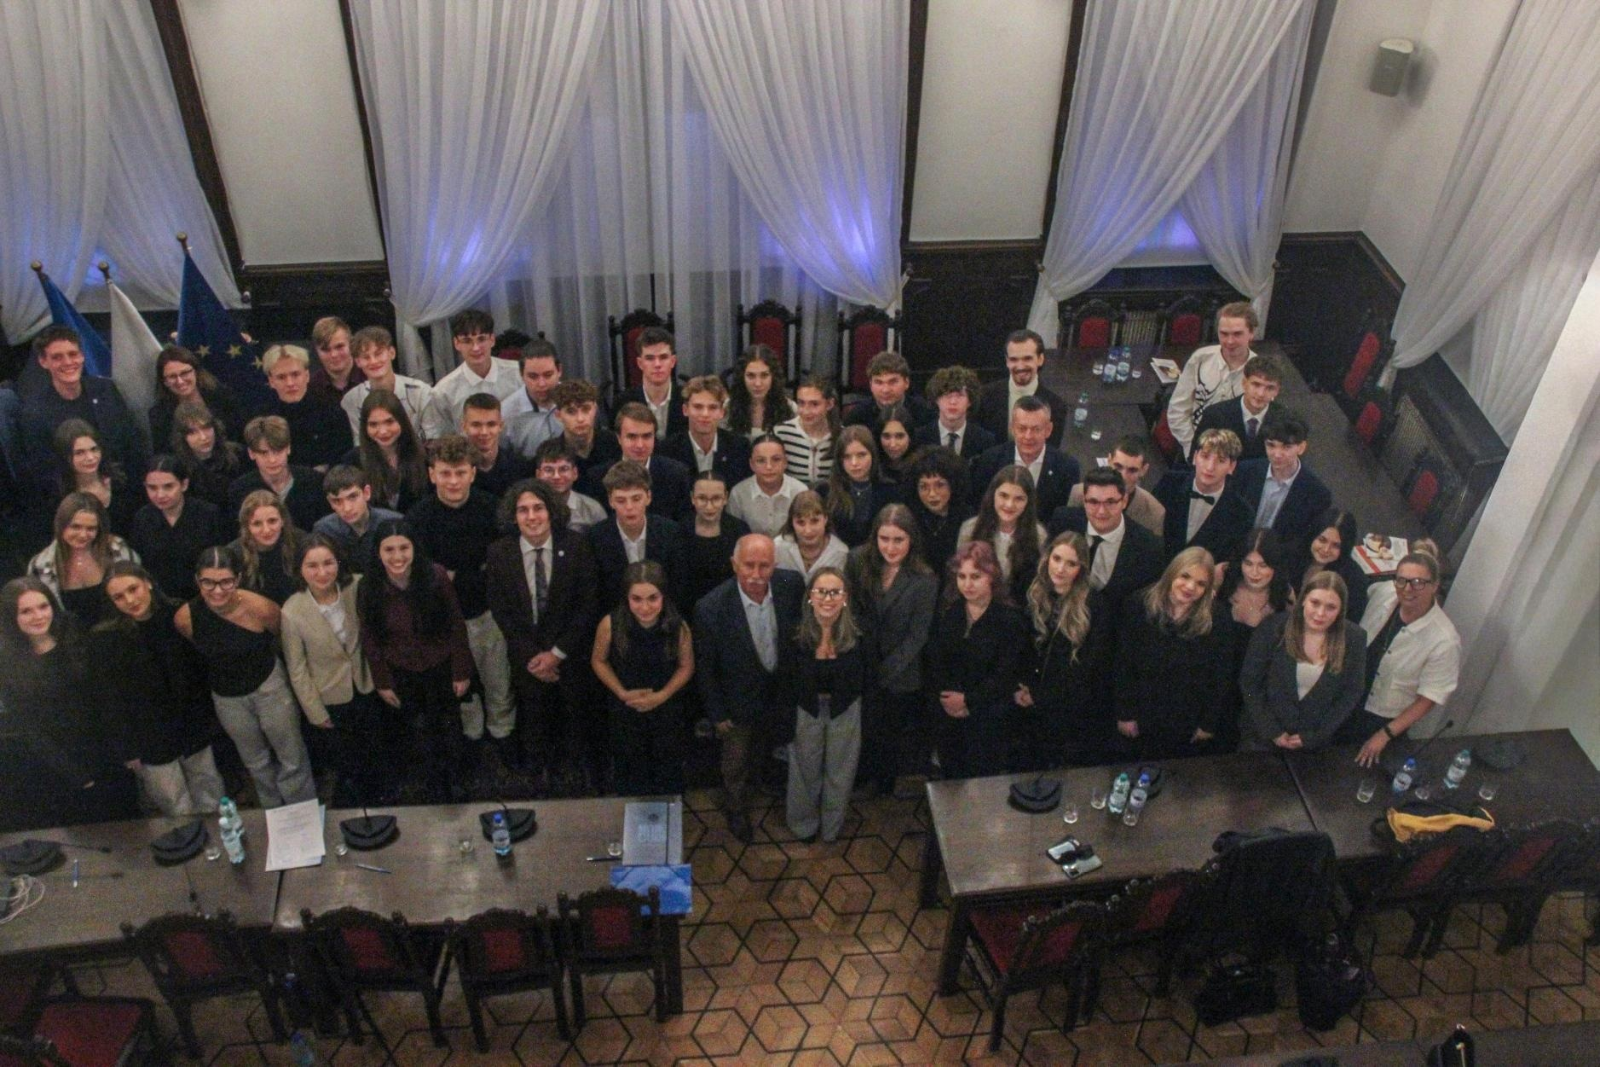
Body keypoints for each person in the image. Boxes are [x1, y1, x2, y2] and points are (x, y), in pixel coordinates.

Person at [176, 546, 316, 807]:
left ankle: (302, 811)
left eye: (226, 581)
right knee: (255, 761)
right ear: (197, 581)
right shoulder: (185, 617)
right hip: (227, 697)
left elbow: (281, 638)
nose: (217, 590)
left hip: (269, 686)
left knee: (291, 755)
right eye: (208, 582)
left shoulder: (262, 608)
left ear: (238, 579)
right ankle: (272, 810)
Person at [486, 480, 600, 791]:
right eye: (523, 510)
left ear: (551, 511)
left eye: (538, 508)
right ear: (514, 516)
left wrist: (557, 654)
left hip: (569, 655)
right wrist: (533, 657)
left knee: (572, 716)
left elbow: (587, 605)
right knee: (533, 718)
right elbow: (501, 610)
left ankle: (573, 776)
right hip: (528, 658)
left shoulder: (576, 546)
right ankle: (538, 778)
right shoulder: (500, 553)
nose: (532, 516)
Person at [695, 534, 805, 842]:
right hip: (736, 701)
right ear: (734, 564)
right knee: (736, 760)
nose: (756, 574)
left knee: (768, 746)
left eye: (764, 566)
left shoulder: (791, 586)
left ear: (775, 564)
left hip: (778, 693)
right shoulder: (710, 608)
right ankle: (735, 807)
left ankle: (763, 783)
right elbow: (706, 667)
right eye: (748, 565)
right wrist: (717, 713)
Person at [407, 435, 513, 755]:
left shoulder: (492, 509)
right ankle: (472, 739)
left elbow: (501, 568)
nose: (453, 481)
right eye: (445, 473)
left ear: (472, 473)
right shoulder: (418, 518)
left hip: (488, 613)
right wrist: (472, 573)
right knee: (460, 685)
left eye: (460, 473)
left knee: (498, 680)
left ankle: (503, 735)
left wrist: (456, 576)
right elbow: (423, 576)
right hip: (442, 618)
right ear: (432, 474)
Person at [0, 577, 136, 825]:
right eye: (26, 611)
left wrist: (125, 749)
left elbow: (106, 696)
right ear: (11, 617)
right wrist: (76, 774)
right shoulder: (7, 663)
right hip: (61, 767)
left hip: (108, 752)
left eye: (43, 606)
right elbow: (29, 729)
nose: (38, 616)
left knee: (131, 824)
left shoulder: (73, 633)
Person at [93, 563, 224, 817]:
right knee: (174, 802)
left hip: (191, 722)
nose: (130, 600)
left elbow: (200, 668)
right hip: (149, 734)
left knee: (209, 791)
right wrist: (128, 748)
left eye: (133, 589)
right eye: (119, 596)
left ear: (148, 583)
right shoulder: (105, 638)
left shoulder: (178, 613)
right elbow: (109, 698)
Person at [357, 520, 474, 802]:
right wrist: (382, 681)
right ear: (378, 552)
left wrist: (461, 671)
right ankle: (431, 781)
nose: (397, 556)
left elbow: (456, 625)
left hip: (440, 665)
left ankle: (456, 778)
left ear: (414, 548)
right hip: (402, 670)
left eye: (404, 548)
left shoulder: (435, 576)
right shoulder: (368, 586)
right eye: (389, 549)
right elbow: (370, 638)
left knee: (449, 724)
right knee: (416, 728)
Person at [280, 535, 389, 805]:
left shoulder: (357, 587)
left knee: (378, 753)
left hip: (366, 683)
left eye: (328, 563)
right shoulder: (292, 610)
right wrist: (315, 712)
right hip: (330, 696)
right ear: (300, 570)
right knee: (347, 764)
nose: (322, 572)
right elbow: (297, 669)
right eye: (312, 566)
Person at [845, 505, 936, 794]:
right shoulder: (857, 560)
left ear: (911, 540)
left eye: (899, 540)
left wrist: (883, 673)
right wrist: (863, 664)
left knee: (890, 737)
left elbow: (917, 636)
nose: (891, 547)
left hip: (900, 673)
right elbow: (849, 612)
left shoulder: (925, 579)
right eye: (884, 539)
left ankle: (883, 787)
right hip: (861, 663)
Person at [1114, 547, 1232, 760]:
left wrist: (1208, 723)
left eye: (1200, 583)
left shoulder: (1218, 618)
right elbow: (1123, 664)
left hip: (1186, 721)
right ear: (1172, 573)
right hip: (1141, 715)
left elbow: (1220, 676)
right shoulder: (1138, 604)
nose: (1190, 587)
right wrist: (1125, 713)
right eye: (1185, 576)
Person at [782, 568, 871, 842]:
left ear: (845, 598)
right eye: (821, 591)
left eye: (835, 592)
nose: (828, 599)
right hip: (806, 708)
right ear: (810, 596)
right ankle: (803, 826)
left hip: (845, 708)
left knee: (841, 772)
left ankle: (832, 828)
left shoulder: (860, 632)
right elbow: (786, 679)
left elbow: (867, 676)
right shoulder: (794, 632)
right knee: (803, 771)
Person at [927, 541, 1029, 779]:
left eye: (975, 576)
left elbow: (1005, 674)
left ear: (991, 576)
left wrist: (968, 701)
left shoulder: (1010, 620)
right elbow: (936, 660)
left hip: (988, 718)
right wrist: (949, 700)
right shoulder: (949, 613)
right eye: (961, 576)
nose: (967, 584)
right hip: (949, 713)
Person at [592, 561, 694, 796]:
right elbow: (598, 660)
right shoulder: (610, 624)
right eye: (636, 599)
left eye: (652, 598)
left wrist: (662, 695)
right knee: (630, 769)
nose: (645, 607)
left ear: (663, 596)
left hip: (666, 710)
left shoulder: (678, 627)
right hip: (626, 709)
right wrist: (621, 692)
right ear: (626, 598)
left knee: (667, 770)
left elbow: (686, 666)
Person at [1351, 551, 1461, 767]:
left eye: (1418, 582)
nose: (1407, 589)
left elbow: (1428, 699)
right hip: (1349, 697)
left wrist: (1384, 735)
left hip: (1381, 719)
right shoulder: (1385, 593)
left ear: (1435, 585)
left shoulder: (1445, 640)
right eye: (1401, 580)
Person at [1240, 571, 1367, 752]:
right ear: (1303, 599)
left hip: (1314, 743)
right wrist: (1272, 730)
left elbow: (1352, 692)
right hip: (1261, 736)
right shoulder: (1273, 628)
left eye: (1331, 607)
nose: (1320, 613)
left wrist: (1317, 735)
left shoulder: (1355, 638)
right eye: (1315, 603)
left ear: (1341, 610)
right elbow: (1249, 683)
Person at [1017, 532, 1111, 767]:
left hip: (1066, 709)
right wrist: (1022, 686)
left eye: (1071, 564)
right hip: (1024, 699)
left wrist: (1041, 696)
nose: (1060, 569)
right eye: (1057, 559)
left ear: (1081, 569)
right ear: (1047, 557)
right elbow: (1019, 647)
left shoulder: (1094, 606)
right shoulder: (1032, 591)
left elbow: (1088, 666)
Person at [19, 326, 147, 495]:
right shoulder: (34, 412)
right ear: (43, 362)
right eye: (57, 357)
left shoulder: (105, 390)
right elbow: (43, 471)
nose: (68, 362)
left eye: (73, 354)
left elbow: (131, 442)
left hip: (122, 490)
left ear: (82, 356)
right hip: (71, 498)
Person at [1211, 527, 1295, 753]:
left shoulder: (1284, 595)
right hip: (1215, 670)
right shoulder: (1221, 575)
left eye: (1263, 565)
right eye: (1248, 563)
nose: (1254, 573)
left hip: (1253, 681)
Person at [1045, 467, 1166, 619]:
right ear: (1084, 501)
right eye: (1093, 502)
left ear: (1124, 501)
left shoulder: (1149, 547)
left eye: (1110, 502)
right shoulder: (1063, 521)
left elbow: (1144, 606)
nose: (1101, 511)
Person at [587, 460, 689, 609]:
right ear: (610, 501)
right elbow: (596, 594)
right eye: (621, 500)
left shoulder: (671, 533)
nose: (629, 507)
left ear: (648, 497)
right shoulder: (595, 538)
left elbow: (679, 588)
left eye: (636, 499)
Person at [1165, 301, 1260, 459]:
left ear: (1251, 333)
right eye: (1224, 334)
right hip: (1195, 448)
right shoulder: (1200, 358)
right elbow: (1178, 409)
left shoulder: (1259, 371)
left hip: (1235, 455)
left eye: (1237, 334)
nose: (1229, 341)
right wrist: (1193, 447)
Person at [28, 493, 139, 625]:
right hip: (69, 635)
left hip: (121, 630)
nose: (83, 535)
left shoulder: (118, 551)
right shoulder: (39, 566)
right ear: (61, 525)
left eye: (91, 528)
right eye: (75, 527)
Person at [1234, 408, 1333, 551]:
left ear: (1301, 447)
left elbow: (1303, 543)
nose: (1277, 454)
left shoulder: (1317, 495)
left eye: (1286, 447)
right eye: (1271, 445)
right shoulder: (1245, 471)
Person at [967, 396, 1079, 519]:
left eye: (1036, 429)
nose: (1028, 436)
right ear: (1012, 428)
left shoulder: (1067, 468)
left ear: (1048, 430)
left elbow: (1064, 518)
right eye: (1022, 428)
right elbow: (980, 507)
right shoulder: (990, 460)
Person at [129, 455, 223, 601]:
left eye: (168, 486)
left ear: (184, 484)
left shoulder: (208, 514)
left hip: (203, 596)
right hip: (159, 598)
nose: (160, 495)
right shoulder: (142, 518)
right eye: (152, 488)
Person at [420, 309, 522, 440]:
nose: (476, 348)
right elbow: (442, 438)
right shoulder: (443, 391)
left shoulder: (519, 374)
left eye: (481, 339)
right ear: (456, 343)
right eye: (467, 341)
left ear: (492, 340)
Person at [1154, 427, 1253, 563]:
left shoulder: (1242, 513)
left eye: (1220, 460)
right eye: (1205, 457)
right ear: (1195, 457)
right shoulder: (1170, 483)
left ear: (1231, 466)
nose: (1210, 467)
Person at [959, 466, 1048, 604]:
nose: (1009, 505)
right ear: (992, 495)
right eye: (1004, 496)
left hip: (1017, 607)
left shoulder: (1039, 535)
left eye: (1019, 499)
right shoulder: (970, 529)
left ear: (1028, 502)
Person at [591, 403, 692, 521]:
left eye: (646, 436)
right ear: (619, 438)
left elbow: (684, 521)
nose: (640, 445)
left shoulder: (676, 474)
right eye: (632, 437)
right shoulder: (598, 477)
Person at [229, 415, 330, 532]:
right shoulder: (240, 490)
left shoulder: (314, 482)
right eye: (264, 453)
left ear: (288, 448)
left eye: (278, 451)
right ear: (251, 453)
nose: (272, 460)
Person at [261, 344, 351, 469]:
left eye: (295, 374)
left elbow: (343, 461)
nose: (290, 383)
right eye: (281, 377)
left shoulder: (332, 411)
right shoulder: (262, 419)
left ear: (307, 376)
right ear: (271, 381)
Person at [973, 329, 1067, 448]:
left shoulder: (1056, 406)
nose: (1020, 366)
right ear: (1007, 361)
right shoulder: (984, 396)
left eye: (1027, 359)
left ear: (1040, 359)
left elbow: (1050, 451)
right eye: (1014, 359)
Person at [340, 326, 435, 442]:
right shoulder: (352, 400)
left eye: (378, 354)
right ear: (358, 362)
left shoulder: (421, 392)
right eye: (366, 357)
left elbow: (433, 439)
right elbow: (360, 443)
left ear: (392, 353)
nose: (373, 361)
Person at [149, 346, 243, 461]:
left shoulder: (221, 397)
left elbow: (240, 434)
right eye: (172, 376)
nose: (180, 381)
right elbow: (164, 455)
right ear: (164, 382)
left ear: (196, 372)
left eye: (184, 373)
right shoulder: (159, 415)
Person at [1194, 352, 1285, 464]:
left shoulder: (1286, 420)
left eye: (1270, 388)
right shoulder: (1215, 415)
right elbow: (1196, 458)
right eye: (1256, 384)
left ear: (1277, 391)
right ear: (1244, 383)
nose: (1261, 393)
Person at [52, 418, 138, 535]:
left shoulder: (120, 482)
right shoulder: (59, 495)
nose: (90, 457)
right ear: (65, 457)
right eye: (80, 453)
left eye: (94, 449)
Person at [1065, 435, 1165, 537]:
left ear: (1144, 470)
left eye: (1132, 470)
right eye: (1118, 467)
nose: (1123, 476)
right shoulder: (1079, 494)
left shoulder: (1154, 513)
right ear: (1109, 461)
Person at [662, 375, 752, 486]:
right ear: (685, 410)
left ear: (722, 412)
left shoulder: (740, 448)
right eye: (698, 407)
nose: (705, 414)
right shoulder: (668, 450)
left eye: (712, 407)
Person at [347, 390, 428, 513]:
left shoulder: (424, 456)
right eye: (373, 424)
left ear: (402, 421)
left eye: (389, 422)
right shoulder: (352, 461)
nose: (383, 431)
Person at [313, 465, 401, 573]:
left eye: (352, 497)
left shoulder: (394, 522)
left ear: (366, 493)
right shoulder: (325, 530)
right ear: (330, 502)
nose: (347, 508)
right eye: (337, 501)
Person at [1290, 508, 1369, 625]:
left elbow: (1347, 624)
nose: (1326, 549)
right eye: (1322, 540)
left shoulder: (1354, 581)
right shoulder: (1291, 555)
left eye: (1336, 546)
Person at [685, 470, 750, 610]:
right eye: (702, 498)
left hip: (731, 607)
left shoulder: (739, 530)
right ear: (692, 498)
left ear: (725, 498)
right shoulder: (680, 531)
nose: (709, 506)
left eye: (716, 498)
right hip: (688, 608)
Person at [825, 425, 897, 548]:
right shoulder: (826, 491)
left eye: (861, 455)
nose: (854, 463)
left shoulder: (890, 490)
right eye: (847, 457)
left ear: (872, 455)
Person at [231, 491, 304, 605]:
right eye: (257, 524)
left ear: (283, 520)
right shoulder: (234, 555)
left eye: (272, 521)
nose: (266, 530)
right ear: (247, 526)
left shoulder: (301, 543)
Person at [728, 434, 807, 538]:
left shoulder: (800, 491)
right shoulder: (739, 493)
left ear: (785, 462)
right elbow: (733, 533)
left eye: (776, 459)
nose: (769, 466)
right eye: (761, 460)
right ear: (751, 464)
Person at [617, 326, 689, 440]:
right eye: (650, 358)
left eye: (663, 357)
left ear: (673, 361)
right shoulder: (623, 402)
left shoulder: (687, 400)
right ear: (640, 363)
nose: (657, 364)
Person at [171, 401, 245, 510]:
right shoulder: (178, 468)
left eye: (206, 428)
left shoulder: (238, 453)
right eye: (193, 432)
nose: (203, 437)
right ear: (182, 437)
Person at [905, 446, 968, 573]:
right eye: (924, 487)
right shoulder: (910, 518)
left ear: (953, 484)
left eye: (940, 485)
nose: (932, 494)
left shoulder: (967, 518)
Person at [461, 392, 533, 501]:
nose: (484, 432)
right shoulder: (454, 473)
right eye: (476, 425)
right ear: (464, 426)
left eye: (491, 424)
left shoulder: (521, 469)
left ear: (501, 426)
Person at [913, 365, 995, 460]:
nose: (953, 402)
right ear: (936, 399)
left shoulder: (985, 440)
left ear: (970, 401)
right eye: (947, 395)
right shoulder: (919, 438)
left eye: (960, 395)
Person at [501, 338, 564, 459]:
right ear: (521, 375)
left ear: (559, 370)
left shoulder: (577, 402)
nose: (541, 384)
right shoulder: (506, 413)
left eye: (548, 375)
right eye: (533, 376)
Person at [549, 379, 621, 484]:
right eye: (571, 411)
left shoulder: (616, 443)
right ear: (558, 415)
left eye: (586, 409)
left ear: (595, 409)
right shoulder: (550, 453)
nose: (580, 419)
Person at [773, 376, 840, 488]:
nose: (806, 411)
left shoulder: (842, 435)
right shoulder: (782, 433)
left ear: (829, 404)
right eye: (801, 403)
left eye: (814, 404)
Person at [843, 351, 935, 429]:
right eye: (879, 382)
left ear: (906, 383)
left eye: (892, 382)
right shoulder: (856, 418)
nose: (885, 390)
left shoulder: (925, 414)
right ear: (870, 385)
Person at [775, 490, 850, 583]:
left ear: (825, 519)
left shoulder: (840, 553)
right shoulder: (779, 547)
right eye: (801, 522)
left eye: (814, 521)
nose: (808, 530)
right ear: (792, 522)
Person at [533, 438, 606, 532]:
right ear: (538, 475)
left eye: (563, 469)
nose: (556, 476)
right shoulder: (527, 510)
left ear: (575, 473)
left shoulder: (592, 510)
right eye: (549, 470)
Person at [726, 344, 794, 440]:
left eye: (764, 375)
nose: (757, 383)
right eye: (751, 376)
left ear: (773, 377)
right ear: (742, 377)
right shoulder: (728, 408)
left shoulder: (790, 408)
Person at [308, 316, 364, 402]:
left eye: (339, 347)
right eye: (326, 349)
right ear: (316, 351)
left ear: (351, 344)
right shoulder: (310, 389)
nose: (334, 355)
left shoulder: (372, 378)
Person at [874, 404, 917, 486]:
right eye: (886, 436)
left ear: (910, 437)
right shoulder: (871, 469)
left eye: (900, 436)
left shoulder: (921, 467)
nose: (893, 444)